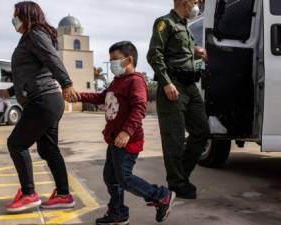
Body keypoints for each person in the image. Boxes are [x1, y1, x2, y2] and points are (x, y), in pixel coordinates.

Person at [73, 41, 176, 224]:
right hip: (114, 140)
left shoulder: (135, 81)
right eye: (110, 59)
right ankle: (118, 213)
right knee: (110, 178)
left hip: (127, 141)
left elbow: (139, 108)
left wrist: (126, 132)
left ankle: (161, 195)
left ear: (128, 60)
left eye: (115, 59)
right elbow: (101, 97)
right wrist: (79, 95)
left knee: (125, 178)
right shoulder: (117, 81)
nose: (111, 63)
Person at [0, 1, 80, 213]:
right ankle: (64, 195)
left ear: (27, 15)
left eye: (16, 15)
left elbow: (51, 58)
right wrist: (9, 92)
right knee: (48, 149)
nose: (13, 20)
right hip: (47, 100)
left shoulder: (35, 34)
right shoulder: (29, 37)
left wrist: (67, 83)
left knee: (16, 144)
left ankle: (29, 194)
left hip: (43, 100)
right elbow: (30, 74)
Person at [147, 0, 210, 200]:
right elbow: (154, 55)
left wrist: (196, 51)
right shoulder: (165, 23)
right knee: (174, 138)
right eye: (196, 1)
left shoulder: (185, 27)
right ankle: (177, 183)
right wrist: (166, 83)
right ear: (185, 1)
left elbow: (180, 51)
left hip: (190, 86)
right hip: (173, 86)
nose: (198, 4)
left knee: (201, 132)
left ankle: (180, 174)